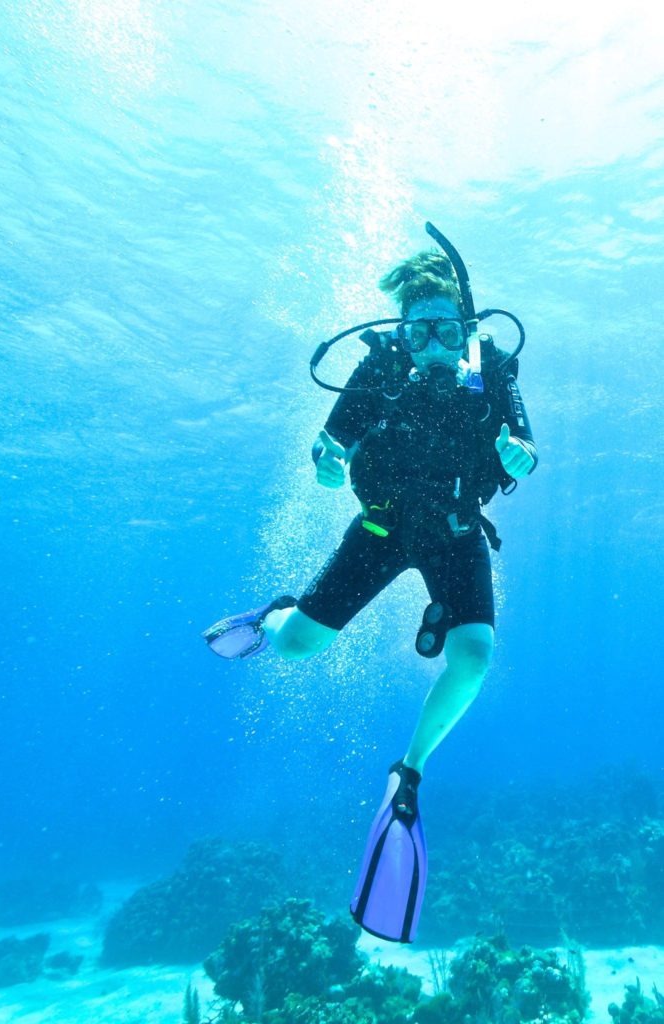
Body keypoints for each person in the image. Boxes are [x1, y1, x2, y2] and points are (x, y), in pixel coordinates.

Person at [203, 225, 537, 943]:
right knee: (296, 650)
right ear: (403, 333)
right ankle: (271, 617)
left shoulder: (495, 369)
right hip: (381, 530)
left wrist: (520, 453)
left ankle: (409, 776)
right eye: (419, 333)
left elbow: (525, 448)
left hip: (455, 533)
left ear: (465, 327)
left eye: (447, 330)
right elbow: (331, 446)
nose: (435, 346)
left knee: (474, 659)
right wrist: (326, 464)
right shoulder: (379, 367)